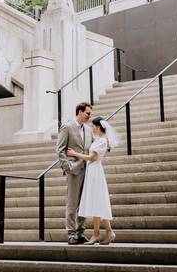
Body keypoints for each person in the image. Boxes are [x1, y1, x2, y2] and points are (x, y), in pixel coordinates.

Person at [68, 116, 119, 245]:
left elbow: (92, 157)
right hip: (93, 172)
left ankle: (98, 234)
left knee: (97, 201)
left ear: (98, 127)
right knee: (97, 201)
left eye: (93, 126)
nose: (92, 128)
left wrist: (75, 154)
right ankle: (108, 232)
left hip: (95, 172)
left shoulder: (102, 141)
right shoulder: (99, 139)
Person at [57, 101, 92, 244]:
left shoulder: (89, 129)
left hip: (88, 170)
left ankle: (80, 232)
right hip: (74, 170)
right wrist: (68, 168)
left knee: (84, 203)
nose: (89, 116)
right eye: (87, 113)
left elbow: (91, 147)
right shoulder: (67, 127)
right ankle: (71, 234)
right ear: (79, 112)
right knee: (72, 204)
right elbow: (60, 150)